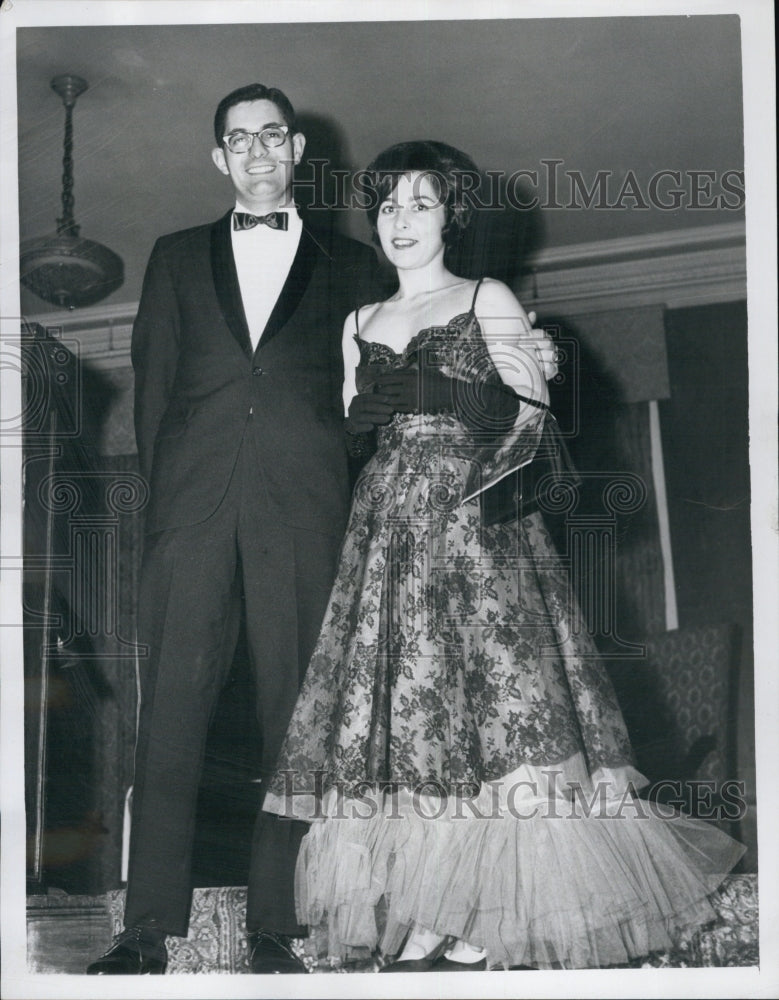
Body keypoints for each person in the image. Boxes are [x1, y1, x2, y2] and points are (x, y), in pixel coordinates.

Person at [84, 86, 560, 976]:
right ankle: (144, 929)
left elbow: (426, 348)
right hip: (191, 511)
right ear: (220, 158)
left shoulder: (355, 263)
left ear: (298, 149)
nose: (258, 151)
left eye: (273, 135)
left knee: (297, 722)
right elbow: (154, 390)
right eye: (239, 140)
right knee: (170, 715)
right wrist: (161, 514)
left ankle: (281, 925)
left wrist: (530, 355)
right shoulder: (174, 255)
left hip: (309, 515)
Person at [262, 140, 745, 971]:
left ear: (451, 215)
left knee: (499, 705)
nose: (401, 220)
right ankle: (430, 905)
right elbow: (347, 439)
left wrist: (444, 393)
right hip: (388, 536)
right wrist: (356, 425)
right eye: (387, 205)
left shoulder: (484, 295)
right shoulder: (357, 323)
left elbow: (530, 413)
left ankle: (483, 917)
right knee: (414, 718)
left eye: (420, 203)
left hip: (476, 525)